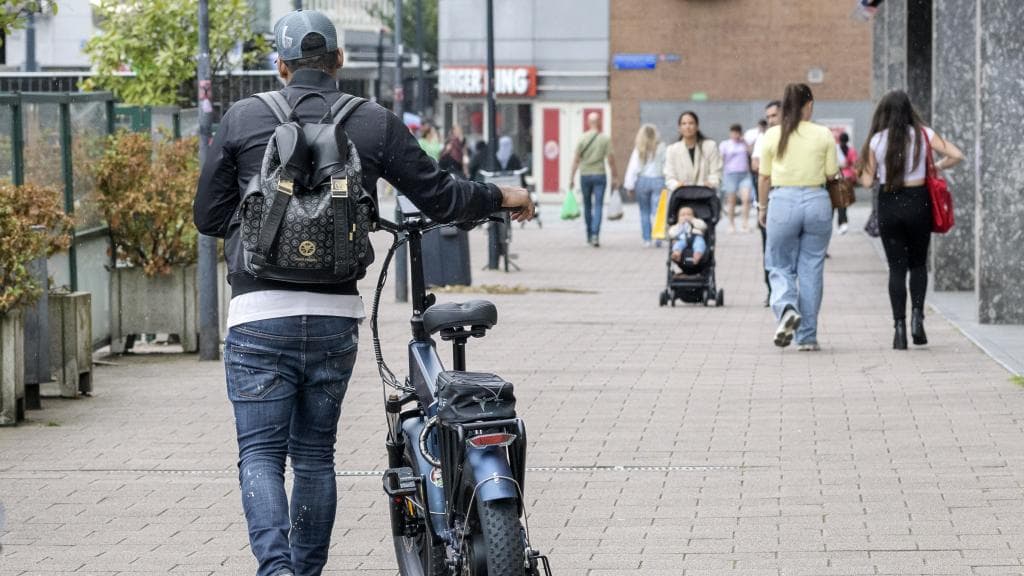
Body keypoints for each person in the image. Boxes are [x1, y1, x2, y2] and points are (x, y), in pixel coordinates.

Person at [192, 10, 534, 576]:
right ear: (339, 63)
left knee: (259, 455)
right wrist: (502, 194)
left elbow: (208, 216)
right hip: (333, 317)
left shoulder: (242, 118)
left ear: (280, 65)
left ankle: (275, 571)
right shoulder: (373, 122)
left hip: (257, 314)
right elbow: (441, 198)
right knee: (314, 456)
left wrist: (261, 223)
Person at [858, 89, 964, 350]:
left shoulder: (876, 141)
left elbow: (868, 181)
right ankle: (918, 317)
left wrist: (861, 172)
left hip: (889, 202)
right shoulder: (924, 134)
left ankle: (899, 330)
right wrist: (936, 167)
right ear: (909, 110)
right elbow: (957, 155)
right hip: (919, 201)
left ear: (884, 112)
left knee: (896, 268)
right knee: (918, 264)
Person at [757, 84, 838, 352]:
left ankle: (787, 307)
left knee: (778, 264)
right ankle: (807, 337)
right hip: (817, 201)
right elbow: (831, 173)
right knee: (812, 268)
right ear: (809, 105)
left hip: (783, 202)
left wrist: (762, 208)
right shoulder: (823, 133)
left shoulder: (772, 135)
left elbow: (764, 176)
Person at [569, 112, 618, 247]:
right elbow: (611, 160)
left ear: (588, 122)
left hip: (585, 175)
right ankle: (596, 235)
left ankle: (589, 235)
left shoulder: (582, 138)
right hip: (600, 175)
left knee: (587, 205)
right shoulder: (605, 139)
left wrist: (571, 178)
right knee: (598, 206)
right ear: (599, 122)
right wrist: (615, 176)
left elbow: (576, 160)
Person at [751, 101, 781, 306]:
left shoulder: (794, 136)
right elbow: (756, 164)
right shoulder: (764, 138)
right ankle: (772, 290)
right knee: (769, 248)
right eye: (768, 116)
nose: (770, 120)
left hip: (787, 198)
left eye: (774, 116)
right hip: (769, 199)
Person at [623, 123, 666, 247]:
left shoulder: (639, 149)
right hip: (658, 180)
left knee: (644, 211)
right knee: (658, 211)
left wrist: (629, 185)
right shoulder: (662, 148)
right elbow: (666, 165)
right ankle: (658, 237)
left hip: (642, 181)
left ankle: (647, 239)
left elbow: (633, 168)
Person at [664, 111, 722, 196]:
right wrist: (677, 185)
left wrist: (711, 183)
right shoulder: (672, 150)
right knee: (685, 210)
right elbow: (669, 176)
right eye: (684, 124)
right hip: (682, 196)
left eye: (691, 123)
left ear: (697, 126)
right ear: (679, 128)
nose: (687, 126)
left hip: (705, 195)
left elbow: (716, 171)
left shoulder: (710, 146)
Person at [719, 123, 753, 232]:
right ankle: (731, 224)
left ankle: (745, 223)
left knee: (746, 199)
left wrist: (745, 142)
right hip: (730, 174)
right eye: (733, 132)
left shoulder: (744, 144)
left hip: (744, 174)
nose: (735, 135)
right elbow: (721, 158)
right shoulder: (725, 144)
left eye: (737, 132)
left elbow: (752, 153)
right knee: (731, 201)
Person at [669, 206, 708, 271]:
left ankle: (697, 254)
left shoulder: (696, 222)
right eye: (682, 215)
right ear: (678, 217)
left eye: (689, 214)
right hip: (682, 239)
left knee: (700, 243)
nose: (686, 216)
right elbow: (671, 233)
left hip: (696, 237)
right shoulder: (677, 226)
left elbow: (703, 226)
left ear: (693, 215)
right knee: (677, 244)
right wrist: (679, 225)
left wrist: (693, 220)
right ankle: (677, 253)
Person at [834, 131, 857, 234]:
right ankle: (843, 223)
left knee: (838, 202)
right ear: (848, 140)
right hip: (848, 179)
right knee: (844, 202)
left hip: (837, 177)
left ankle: (841, 224)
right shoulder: (852, 151)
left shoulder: (835, 150)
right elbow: (855, 164)